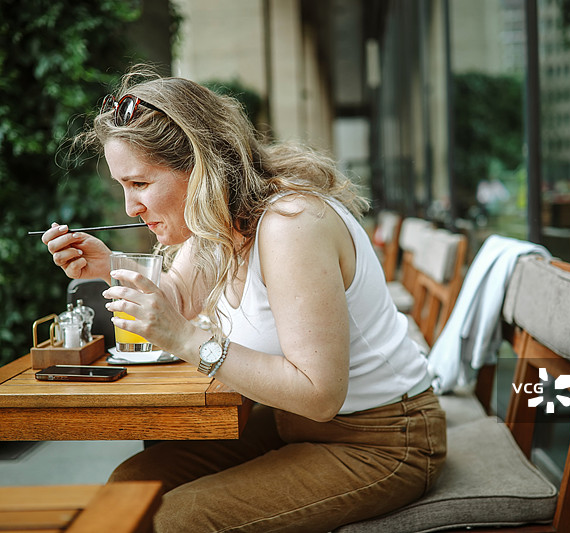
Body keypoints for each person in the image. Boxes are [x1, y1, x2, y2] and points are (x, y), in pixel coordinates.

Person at [42, 66, 446, 533]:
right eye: (123, 187)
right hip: (286, 423)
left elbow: (319, 395)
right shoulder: (216, 222)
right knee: (131, 486)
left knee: (178, 518)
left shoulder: (292, 224)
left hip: (383, 440)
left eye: (140, 184)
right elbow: (177, 295)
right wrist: (109, 266)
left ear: (200, 166)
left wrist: (186, 340)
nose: (130, 208)